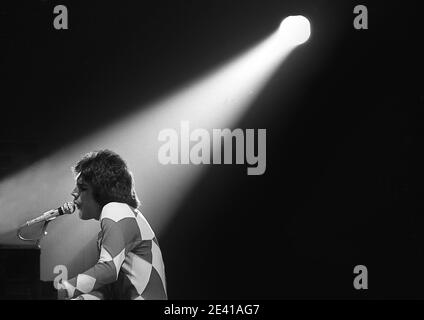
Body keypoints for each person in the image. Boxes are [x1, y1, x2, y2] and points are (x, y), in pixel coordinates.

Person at [59, 149, 167, 300]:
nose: (73, 193)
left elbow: (108, 270)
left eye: (83, 188)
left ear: (102, 191)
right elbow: (109, 292)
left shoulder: (115, 209)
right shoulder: (122, 216)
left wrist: (60, 290)